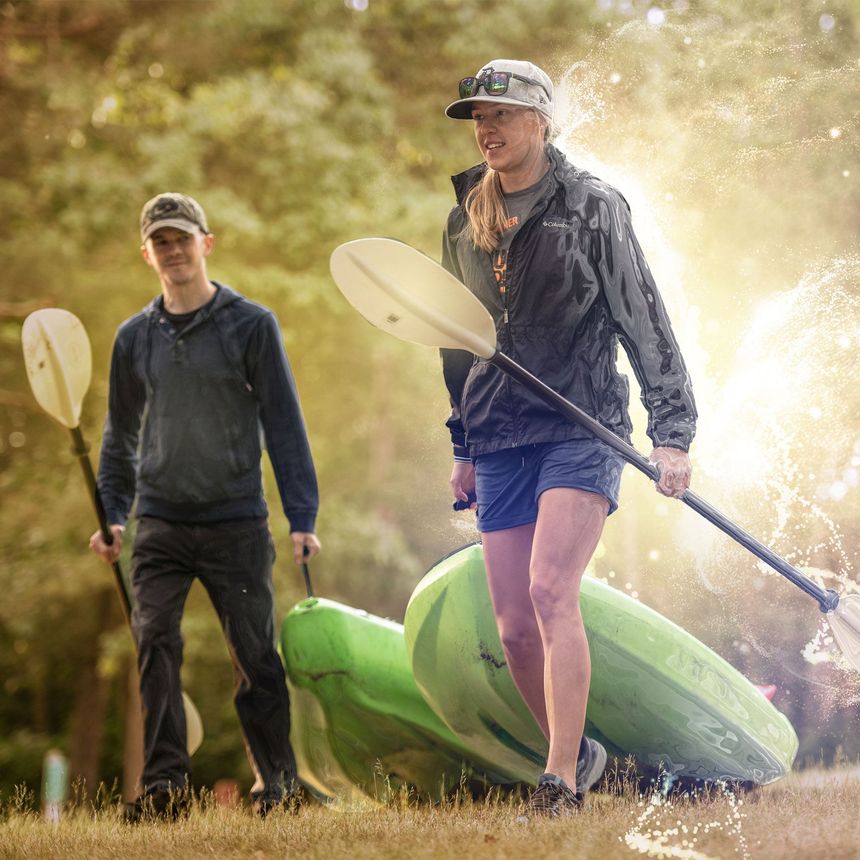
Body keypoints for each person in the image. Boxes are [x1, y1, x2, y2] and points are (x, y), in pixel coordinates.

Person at [441, 60, 696, 817]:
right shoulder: (463, 219)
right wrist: (461, 440)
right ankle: (579, 753)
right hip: (496, 431)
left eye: (503, 116)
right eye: (478, 118)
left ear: (541, 122)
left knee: (552, 591)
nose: (487, 129)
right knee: (515, 625)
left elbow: (642, 318)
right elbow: (455, 341)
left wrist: (672, 433)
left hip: (580, 426)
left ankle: (556, 783)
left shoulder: (593, 208)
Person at [89, 192, 321, 819]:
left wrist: (303, 516)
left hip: (236, 521)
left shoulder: (251, 325)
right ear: (148, 254)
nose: (173, 251)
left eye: (182, 239)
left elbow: (284, 423)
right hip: (160, 521)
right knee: (154, 641)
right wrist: (113, 512)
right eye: (160, 242)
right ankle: (164, 787)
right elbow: (120, 436)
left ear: (205, 243)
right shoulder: (133, 339)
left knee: (256, 657)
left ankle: (276, 783)